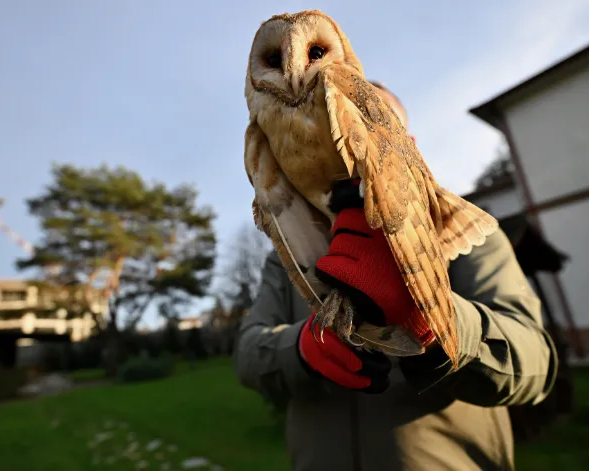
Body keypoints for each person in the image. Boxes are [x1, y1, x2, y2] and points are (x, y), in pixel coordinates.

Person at [233, 81, 559, 471]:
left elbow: (536, 364)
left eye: (371, 124)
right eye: (326, 130)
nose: (347, 143)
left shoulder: (464, 229)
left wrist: (429, 316)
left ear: (410, 145)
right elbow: (248, 354)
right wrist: (303, 350)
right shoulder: (288, 248)